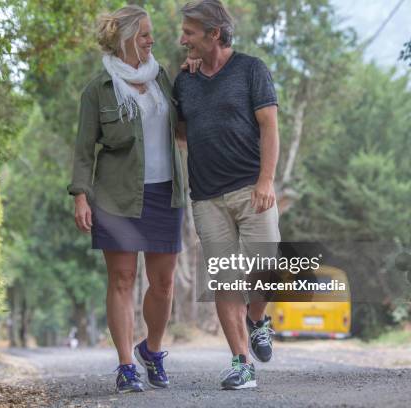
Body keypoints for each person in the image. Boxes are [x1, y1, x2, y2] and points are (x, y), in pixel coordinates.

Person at [67, 5, 187, 394]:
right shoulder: (97, 90)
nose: (152, 40)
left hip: (164, 192)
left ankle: (151, 350)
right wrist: (81, 196)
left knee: (164, 282)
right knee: (122, 278)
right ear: (125, 40)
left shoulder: (163, 78)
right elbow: (84, 150)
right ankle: (125, 366)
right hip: (116, 196)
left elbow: (183, 124)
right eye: (145, 34)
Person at [174, 0, 281, 390]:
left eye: (189, 32)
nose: (182, 38)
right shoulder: (184, 79)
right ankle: (241, 363)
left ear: (213, 34)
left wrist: (266, 181)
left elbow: (269, 126)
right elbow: (181, 130)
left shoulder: (251, 70)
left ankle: (257, 319)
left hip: (252, 190)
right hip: (206, 197)